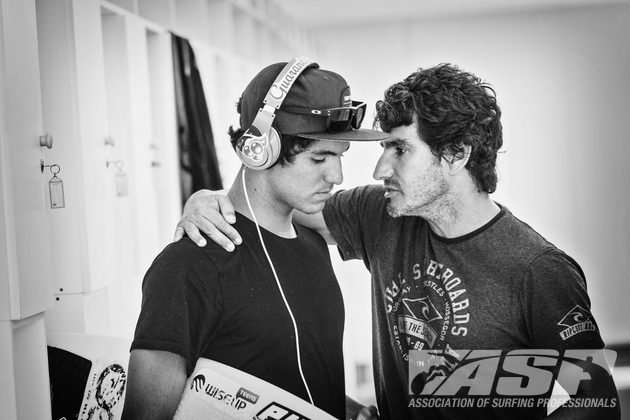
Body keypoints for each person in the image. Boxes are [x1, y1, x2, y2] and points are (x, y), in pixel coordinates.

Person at [175, 63, 620, 419]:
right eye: (382, 148)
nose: (379, 170)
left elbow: (593, 400)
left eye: (400, 150)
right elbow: (277, 198)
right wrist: (209, 198)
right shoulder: (383, 214)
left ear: (457, 153)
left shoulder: (536, 267)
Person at [122, 57, 386, 420]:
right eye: (320, 158)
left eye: (339, 157)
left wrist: (348, 410)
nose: (337, 176)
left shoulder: (312, 243)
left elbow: (284, 379)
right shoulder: (189, 265)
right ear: (260, 149)